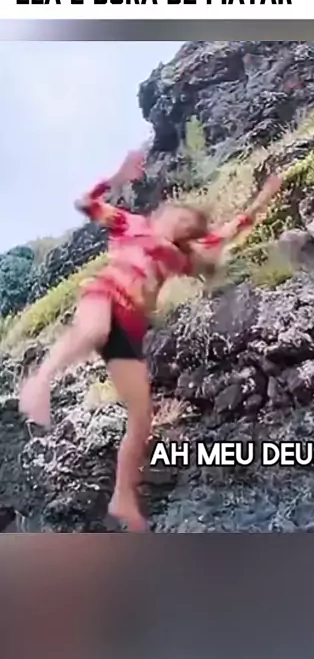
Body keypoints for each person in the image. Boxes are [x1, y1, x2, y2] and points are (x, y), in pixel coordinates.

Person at [19, 149, 282, 531]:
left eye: (188, 224)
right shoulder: (130, 223)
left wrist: (263, 198)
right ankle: (39, 382)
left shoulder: (181, 256)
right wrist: (116, 178)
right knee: (94, 329)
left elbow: (230, 230)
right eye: (178, 215)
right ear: (163, 213)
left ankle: (123, 497)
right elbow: (86, 204)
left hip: (129, 326)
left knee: (142, 415)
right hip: (104, 295)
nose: (180, 223)